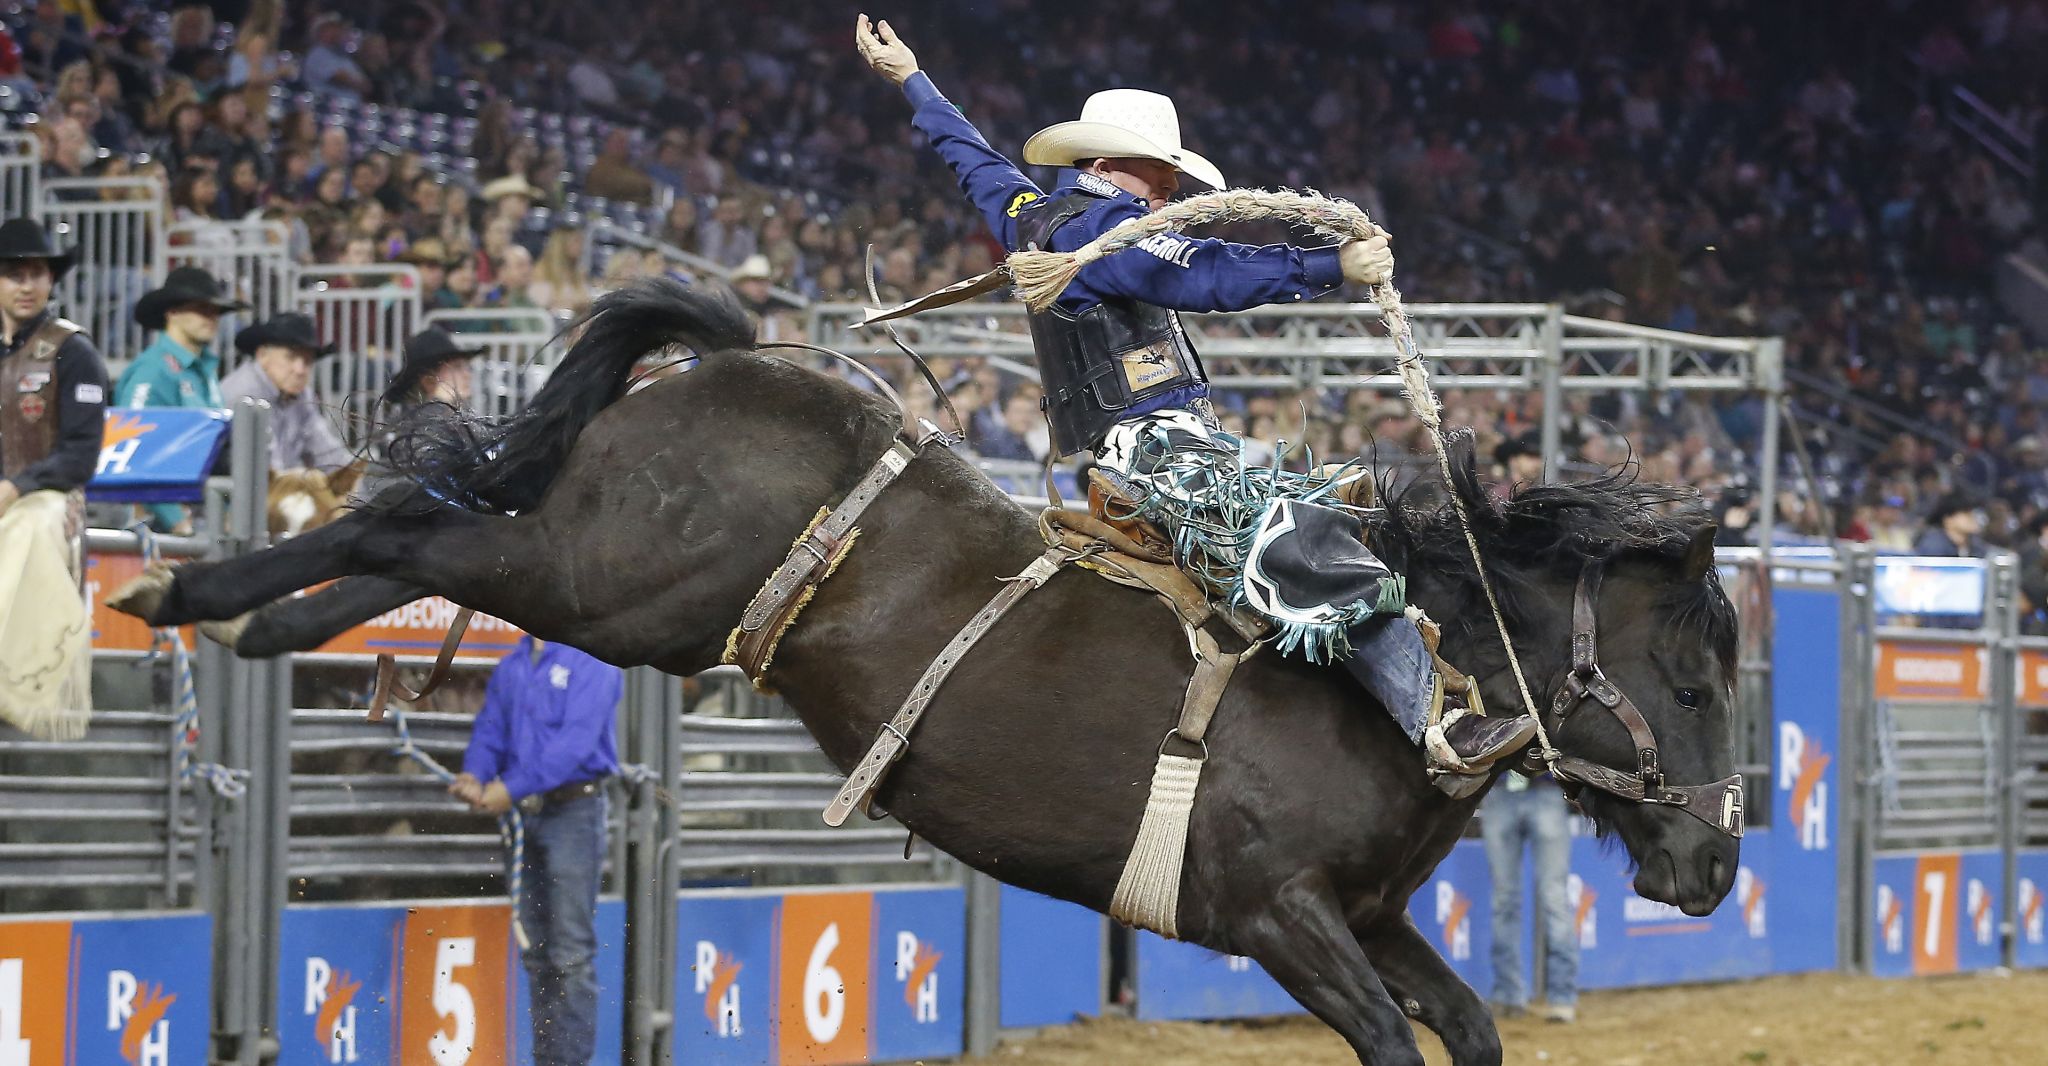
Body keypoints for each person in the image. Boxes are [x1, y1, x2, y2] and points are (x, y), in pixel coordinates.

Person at [858, 14, 1536, 783]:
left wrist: (913, 79)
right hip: (1156, 450)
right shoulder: (1106, 234)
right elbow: (1203, 272)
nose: (1173, 188)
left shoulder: (1031, 218)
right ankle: (1437, 724)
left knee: (1345, 513)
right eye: (1161, 172)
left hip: (1154, 442)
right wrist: (1329, 264)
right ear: (1113, 162)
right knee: (1294, 538)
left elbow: (970, 158)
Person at [451, 636, 620, 1066]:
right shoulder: (514, 666)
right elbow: (491, 729)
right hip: (532, 812)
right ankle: (552, 1058)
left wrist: (507, 787)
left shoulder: (594, 659)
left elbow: (574, 746)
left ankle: (567, 1060)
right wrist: (475, 772)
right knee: (540, 952)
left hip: (571, 810)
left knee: (568, 951)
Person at [0, 217, 105, 737]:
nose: (26, 284)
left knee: (31, 529)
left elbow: (81, 454)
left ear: (50, 281)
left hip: (50, 497)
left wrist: (16, 486)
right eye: (14, 273)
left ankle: (22, 685)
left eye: (36, 273)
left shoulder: (73, 351)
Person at [114, 265, 249, 533]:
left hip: (201, 516)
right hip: (162, 526)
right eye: (201, 309)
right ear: (172, 312)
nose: (211, 318)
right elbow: (135, 447)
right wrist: (176, 520)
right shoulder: (153, 370)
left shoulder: (204, 372)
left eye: (216, 311)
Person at [1481, 771, 1579, 1024]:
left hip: (1546, 790)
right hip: (1500, 790)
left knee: (1553, 899)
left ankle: (1562, 997)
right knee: (1506, 901)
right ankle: (1509, 994)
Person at [220, 312, 351, 474]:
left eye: (308, 361)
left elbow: (329, 454)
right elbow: (268, 474)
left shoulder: (302, 394)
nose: (300, 370)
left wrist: (351, 481)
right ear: (262, 355)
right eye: (291, 357)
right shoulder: (243, 395)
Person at [1914, 491, 1988, 557]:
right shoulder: (1933, 545)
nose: (1972, 517)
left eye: (1972, 512)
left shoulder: (1976, 545)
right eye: (1966, 513)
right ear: (1948, 519)